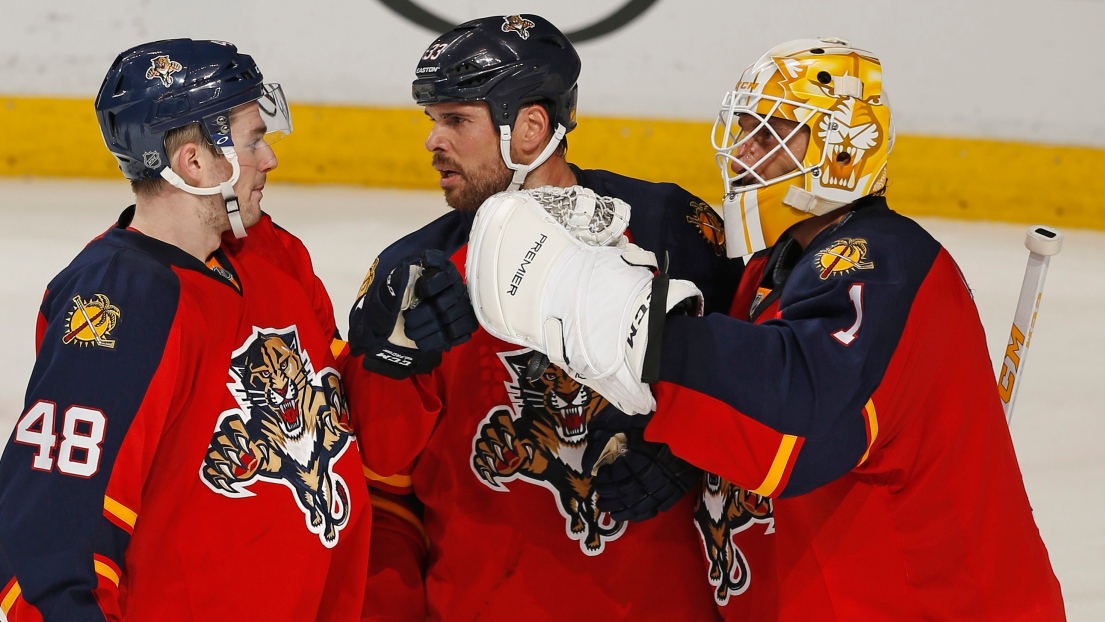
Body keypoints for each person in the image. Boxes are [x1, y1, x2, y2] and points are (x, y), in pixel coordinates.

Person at [477, 37, 1067, 619]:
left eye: (773, 136)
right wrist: (667, 444)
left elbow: (794, 419)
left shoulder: (887, 266)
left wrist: (631, 318)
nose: (743, 154)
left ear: (842, 152)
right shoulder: (770, 266)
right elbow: (741, 392)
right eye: (745, 131)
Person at [342, 14, 742, 620]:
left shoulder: (671, 229)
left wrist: (692, 450)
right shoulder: (414, 272)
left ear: (529, 127)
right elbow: (380, 467)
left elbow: (763, 387)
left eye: (456, 120)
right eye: (433, 121)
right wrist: (397, 358)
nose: (433, 141)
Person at [0, 39, 375, 620]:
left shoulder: (273, 254)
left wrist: (396, 356)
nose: (269, 158)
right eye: (253, 140)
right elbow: (54, 537)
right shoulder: (121, 301)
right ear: (195, 162)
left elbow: (345, 418)